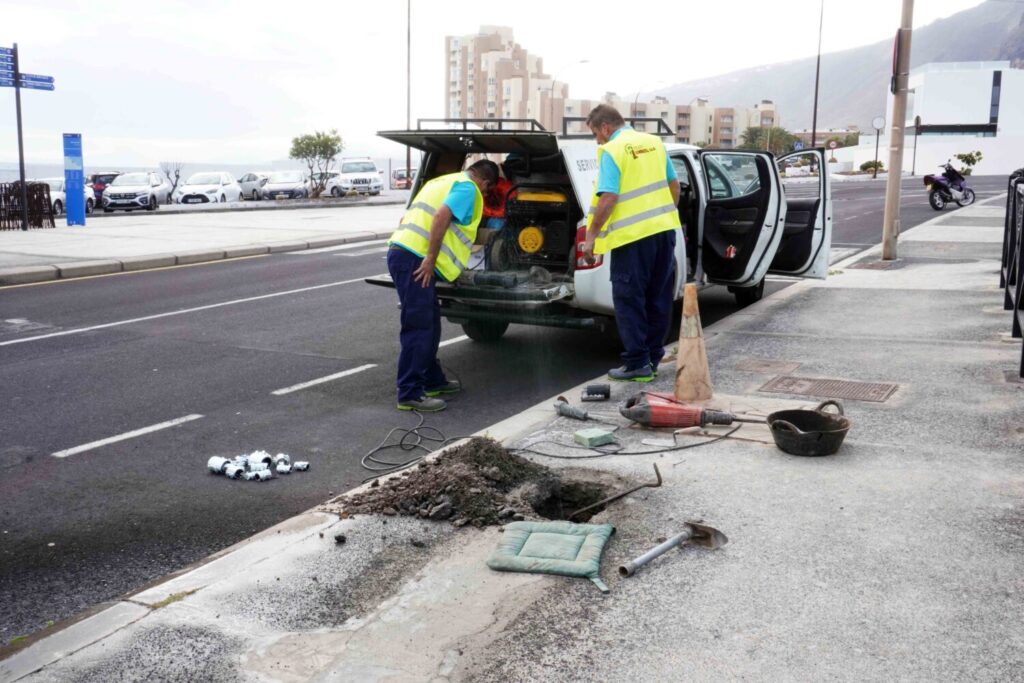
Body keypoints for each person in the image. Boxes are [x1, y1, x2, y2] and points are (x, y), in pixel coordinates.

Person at [386, 160, 498, 411]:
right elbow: (441, 216)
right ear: (485, 182)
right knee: (418, 325)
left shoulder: (441, 181)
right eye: (487, 190)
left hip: (405, 253)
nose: (485, 194)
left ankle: (432, 380)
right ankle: (409, 393)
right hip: (415, 258)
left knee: (431, 322)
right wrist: (430, 258)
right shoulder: (468, 188)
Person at [581, 104, 681, 382]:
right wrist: (665, 215)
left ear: (605, 127)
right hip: (664, 233)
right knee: (658, 297)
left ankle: (637, 363)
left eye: (595, 134)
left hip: (633, 239)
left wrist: (591, 237)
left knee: (629, 299)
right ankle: (651, 359)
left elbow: (609, 198)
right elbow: (675, 186)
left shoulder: (612, 150)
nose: (597, 140)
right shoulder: (653, 143)